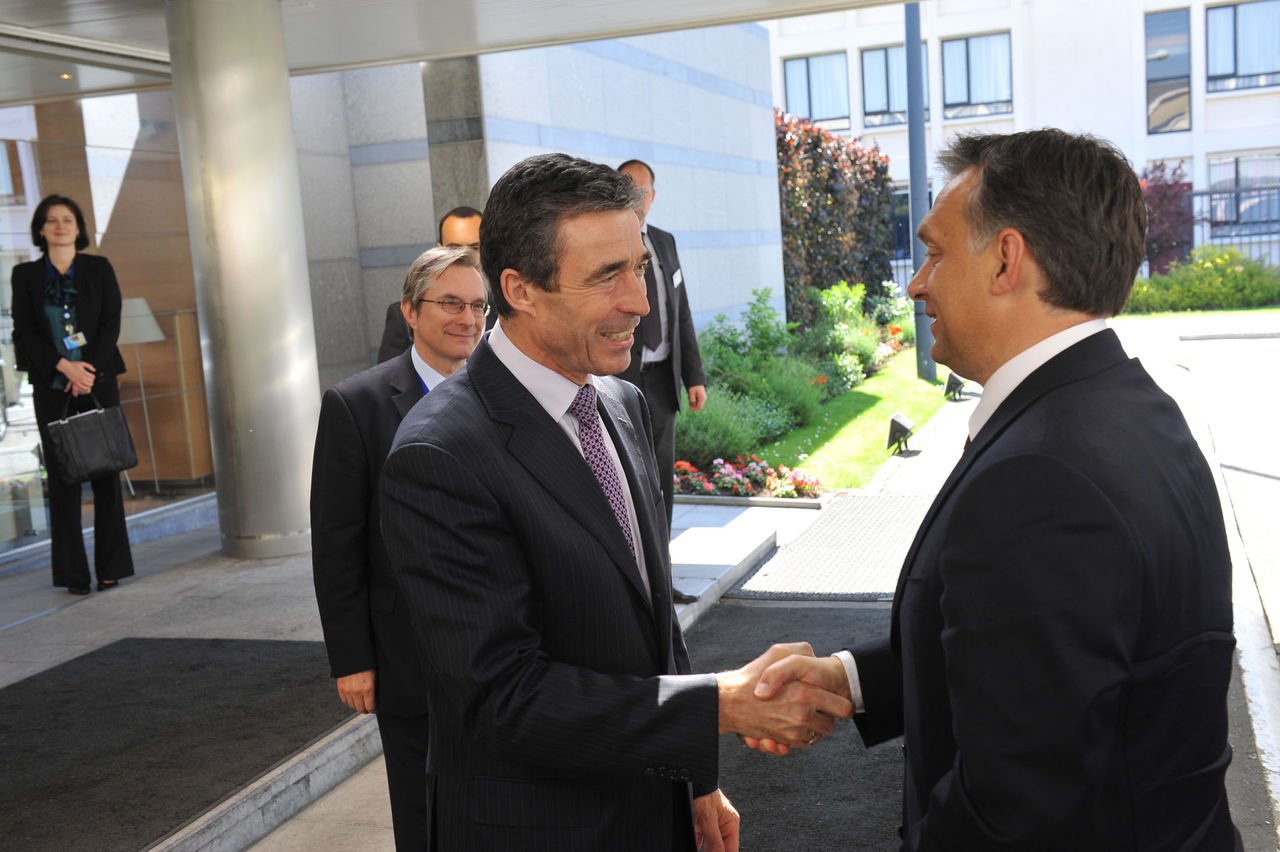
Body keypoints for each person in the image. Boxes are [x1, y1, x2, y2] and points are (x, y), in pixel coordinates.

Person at [750, 129, 1241, 850]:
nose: (917, 284)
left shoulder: (1041, 475)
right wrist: (849, 680)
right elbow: (1047, 664)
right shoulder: (1127, 403)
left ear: (1007, 259)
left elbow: (1016, 808)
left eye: (936, 252)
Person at [379, 153, 850, 851]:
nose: (640, 302)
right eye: (607, 276)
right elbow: (504, 700)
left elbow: (652, 624)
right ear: (519, 289)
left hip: (652, 805)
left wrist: (695, 780)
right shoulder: (440, 454)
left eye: (639, 268)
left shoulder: (623, 402)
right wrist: (720, 705)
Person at [311, 245, 487, 851]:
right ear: (410, 311)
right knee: (423, 811)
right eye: (450, 303)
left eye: (478, 306)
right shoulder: (355, 405)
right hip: (407, 655)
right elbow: (337, 542)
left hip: (504, 647)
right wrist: (351, 658)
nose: (468, 318)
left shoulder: (507, 392)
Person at [11, 194, 134, 596]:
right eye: (51, 220)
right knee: (63, 479)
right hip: (52, 387)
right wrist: (63, 367)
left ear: (78, 228)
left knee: (106, 476)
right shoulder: (25, 276)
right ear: (40, 229)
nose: (60, 226)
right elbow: (24, 332)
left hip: (97, 382)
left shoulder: (99, 268)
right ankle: (73, 575)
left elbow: (111, 322)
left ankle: (111, 568)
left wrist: (87, 371)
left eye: (67, 219)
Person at [615, 159, 706, 530]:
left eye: (643, 190)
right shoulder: (609, 244)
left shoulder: (665, 242)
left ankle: (662, 562)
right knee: (628, 475)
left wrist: (694, 377)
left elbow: (681, 311)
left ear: (653, 195)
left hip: (664, 380)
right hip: (621, 378)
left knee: (662, 478)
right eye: (628, 188)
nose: (637, 196)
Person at [376, 206, 484, 362]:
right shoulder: (403, 316)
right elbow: (390, 374)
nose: (464, 255)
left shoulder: (505, 312)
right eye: (454, 248)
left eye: (475, 248)